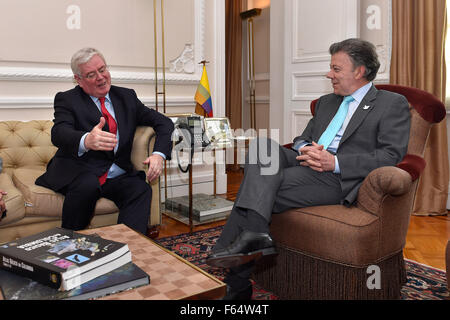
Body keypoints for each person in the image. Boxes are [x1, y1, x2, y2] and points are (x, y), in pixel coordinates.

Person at [206, 38, 411, 300]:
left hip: (338, 177)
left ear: (359, 71)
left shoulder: (391, 103)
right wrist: (307, 149)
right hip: (307, 161)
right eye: (331, 68)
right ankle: (257, 234)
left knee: (259, 186)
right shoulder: (327, 102)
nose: (330, 74)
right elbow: (303, 138)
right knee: (262, 147)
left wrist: (334, 162)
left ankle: (237, 283)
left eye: (336, 69)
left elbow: (391, 154)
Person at [36, 48, 174, 235]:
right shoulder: (67, 99)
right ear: (79, 80)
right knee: (88, 185)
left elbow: (163, 122)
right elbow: (59, 132)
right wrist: (87, 140)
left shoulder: (126, 97)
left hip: (115, 175)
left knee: (140, 188)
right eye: (91, 74)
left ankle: (128, 247)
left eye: (102, 69)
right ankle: (68, 240)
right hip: (80, 171)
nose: (100, 77)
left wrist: (158, 155)